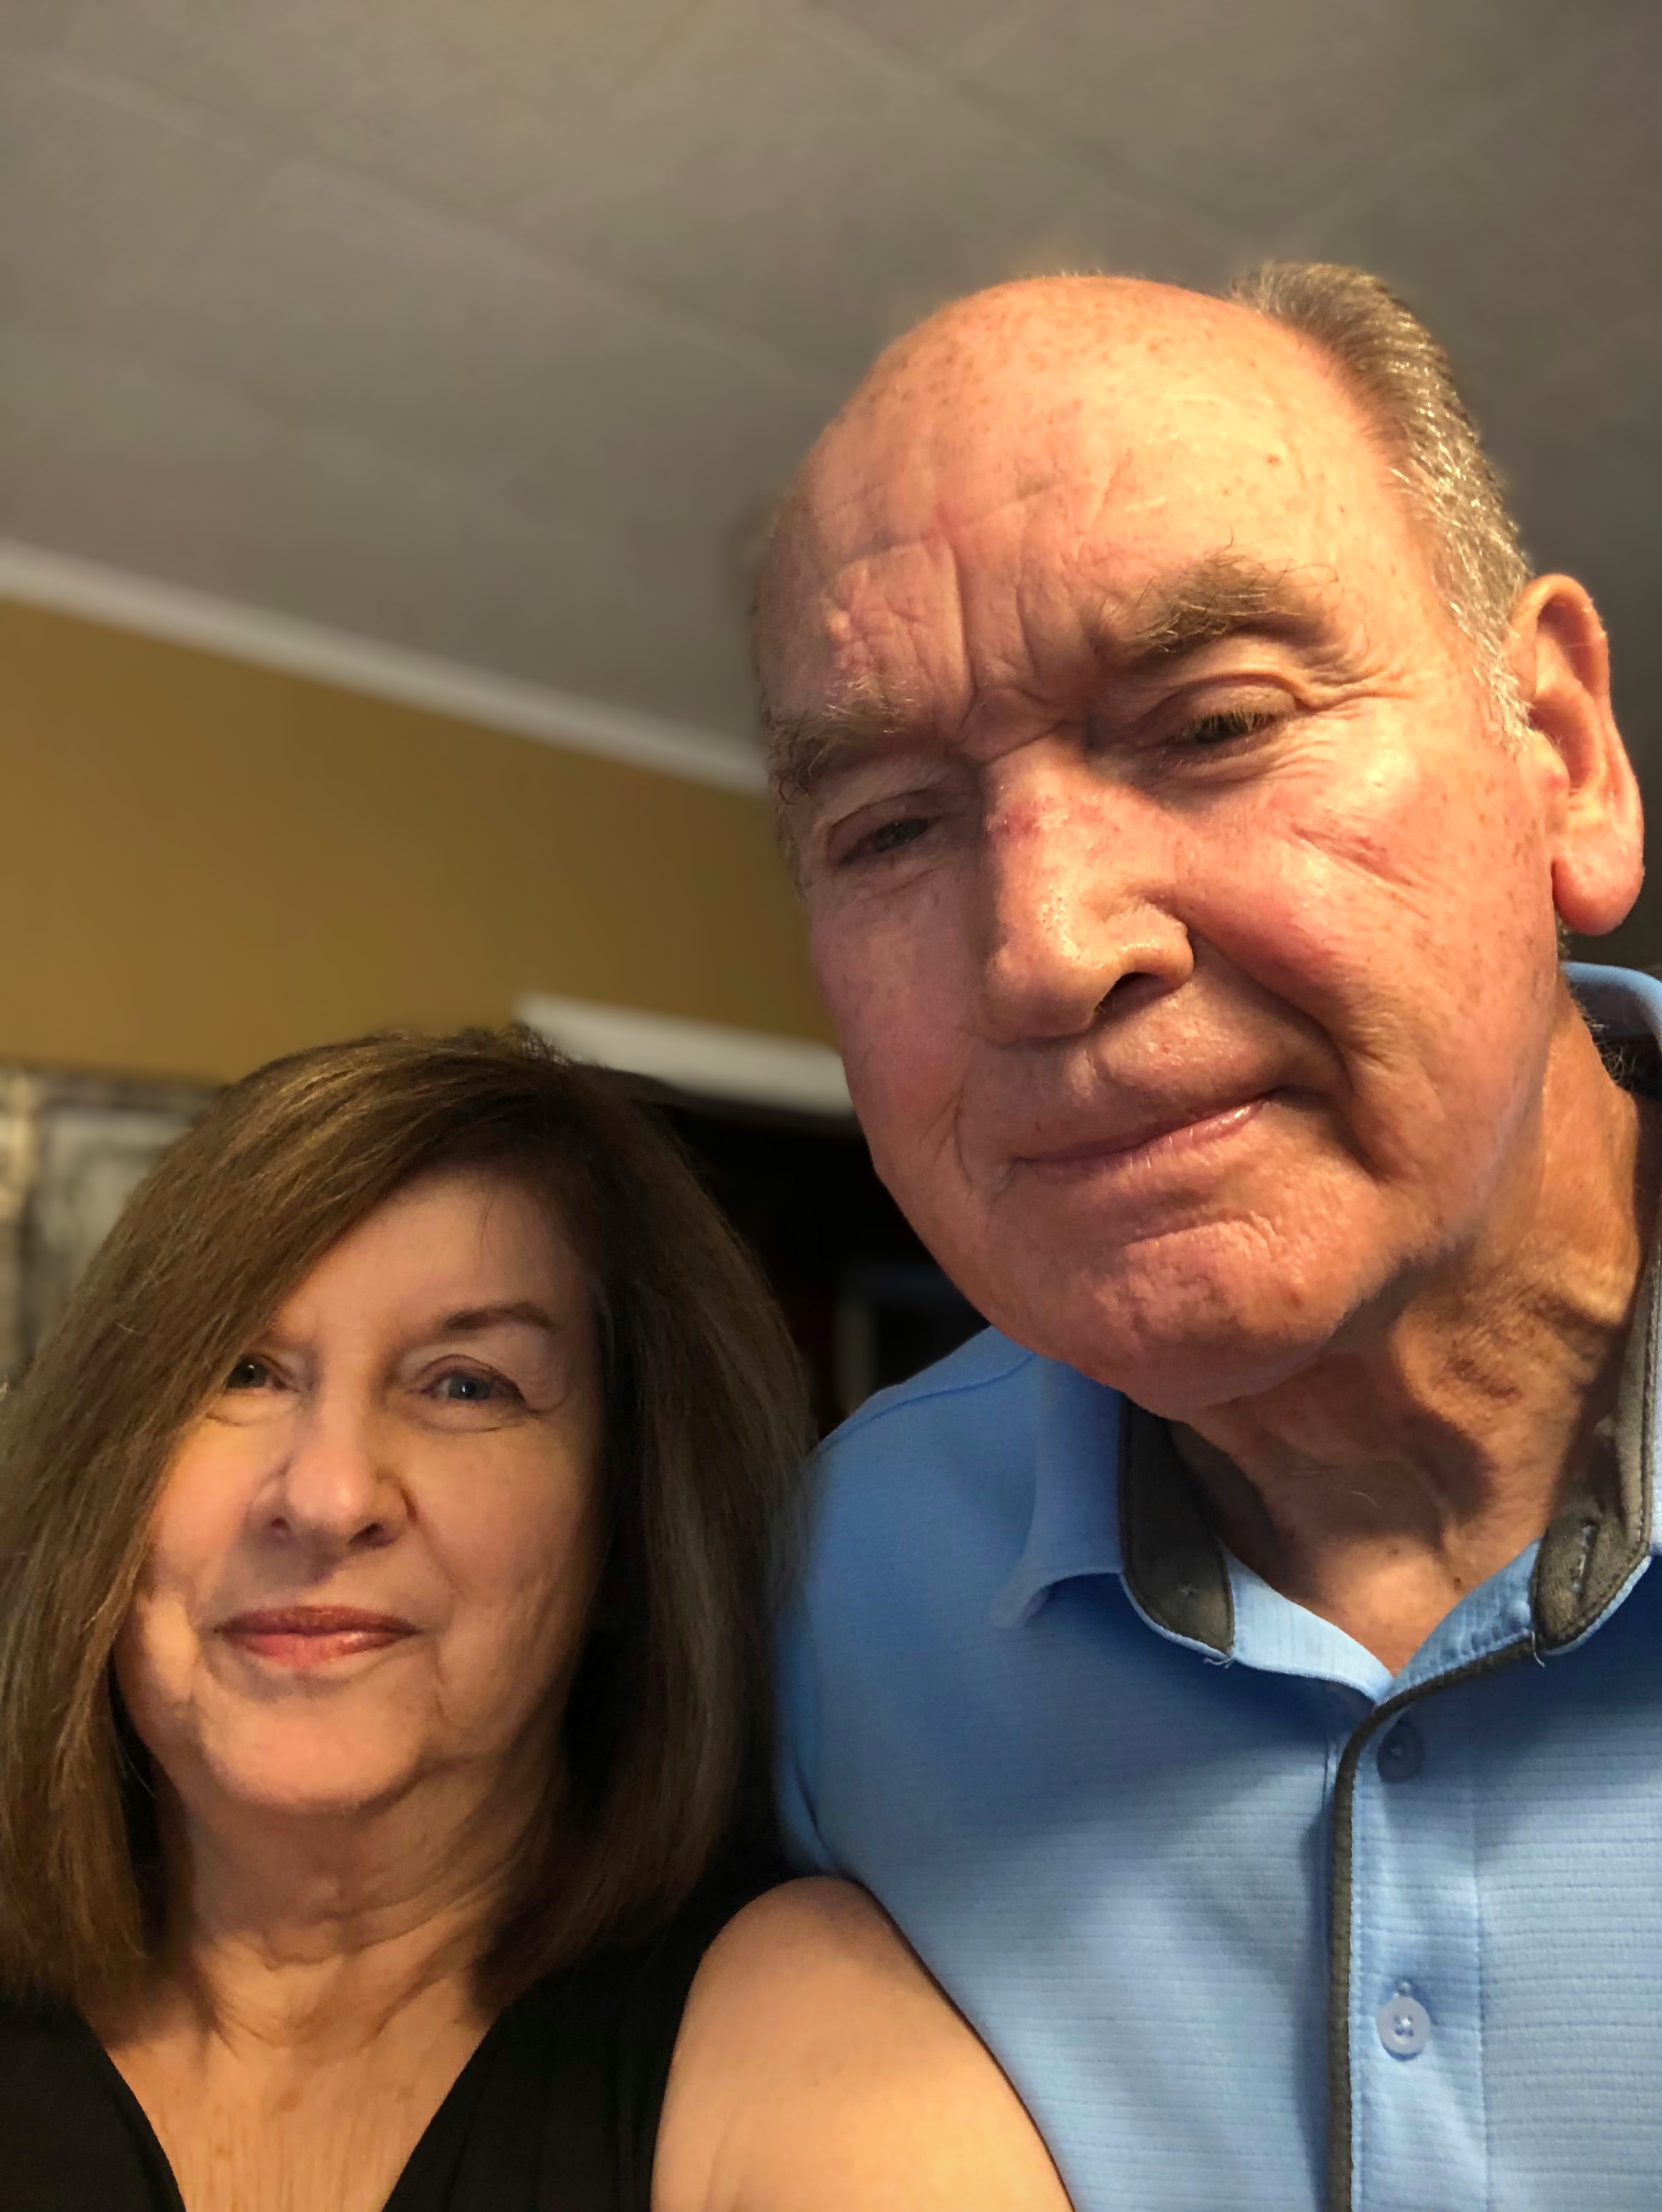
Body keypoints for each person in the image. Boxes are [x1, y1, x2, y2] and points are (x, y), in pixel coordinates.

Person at [757, 259, 1662, 2211]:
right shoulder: (842, 1596)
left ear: (1562, 754)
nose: (1044, 949)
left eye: (1215, 722)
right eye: (890, 828)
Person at [0, 1029, 1071, 2212]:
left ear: (624, 1533)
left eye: (468, 1385)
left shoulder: (807, 2059)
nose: (328, 1497)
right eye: (243, 1373)